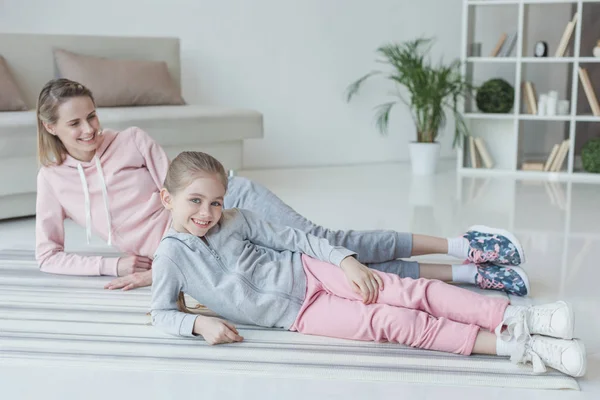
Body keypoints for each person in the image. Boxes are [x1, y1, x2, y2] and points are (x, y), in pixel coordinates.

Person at [35, 78, 528, 295]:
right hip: (205, 245)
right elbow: (48, 256)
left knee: (331, 246)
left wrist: (168, 259)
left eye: (93, 115)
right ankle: (468, 276)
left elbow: (180, 198)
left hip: (226, 208)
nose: (89, 130)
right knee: (326, 272)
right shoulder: (52, 182)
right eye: (75, 123)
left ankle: (468, 246)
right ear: (51, 127)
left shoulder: (133, 141)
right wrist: (114, 263)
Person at [150, 151, 586, 378]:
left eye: (215, 201)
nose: (207, 212)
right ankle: (521, 348)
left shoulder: (236, 219)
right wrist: (198, 326)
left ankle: (518, 317)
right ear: (167, 199)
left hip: (310, 269)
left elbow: (297, 238)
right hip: (297, 315)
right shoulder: (170, 257)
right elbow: (162, 312)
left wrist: (347, 262)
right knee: (395, 323)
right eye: (195, 201)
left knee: (409, 292)